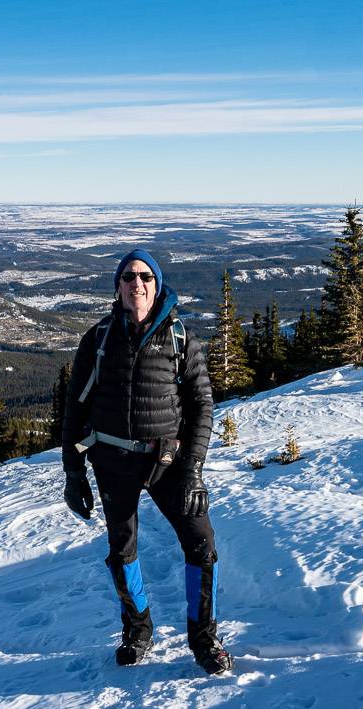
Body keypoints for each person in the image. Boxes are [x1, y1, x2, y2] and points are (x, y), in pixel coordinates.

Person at [61, 248, 233, 675]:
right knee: (122, 549)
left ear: (157, 286)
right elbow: (74, 411)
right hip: (112, 460)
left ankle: (203, 636)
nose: (136, 283)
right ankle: (137, 630)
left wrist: (193, 469)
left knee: (201, 543)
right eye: (127, 277)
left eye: (144, 277)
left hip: (168, 461)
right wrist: (72, 472)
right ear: (116, 287)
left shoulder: (180, 338)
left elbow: (202, 406)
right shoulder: (98, 338)